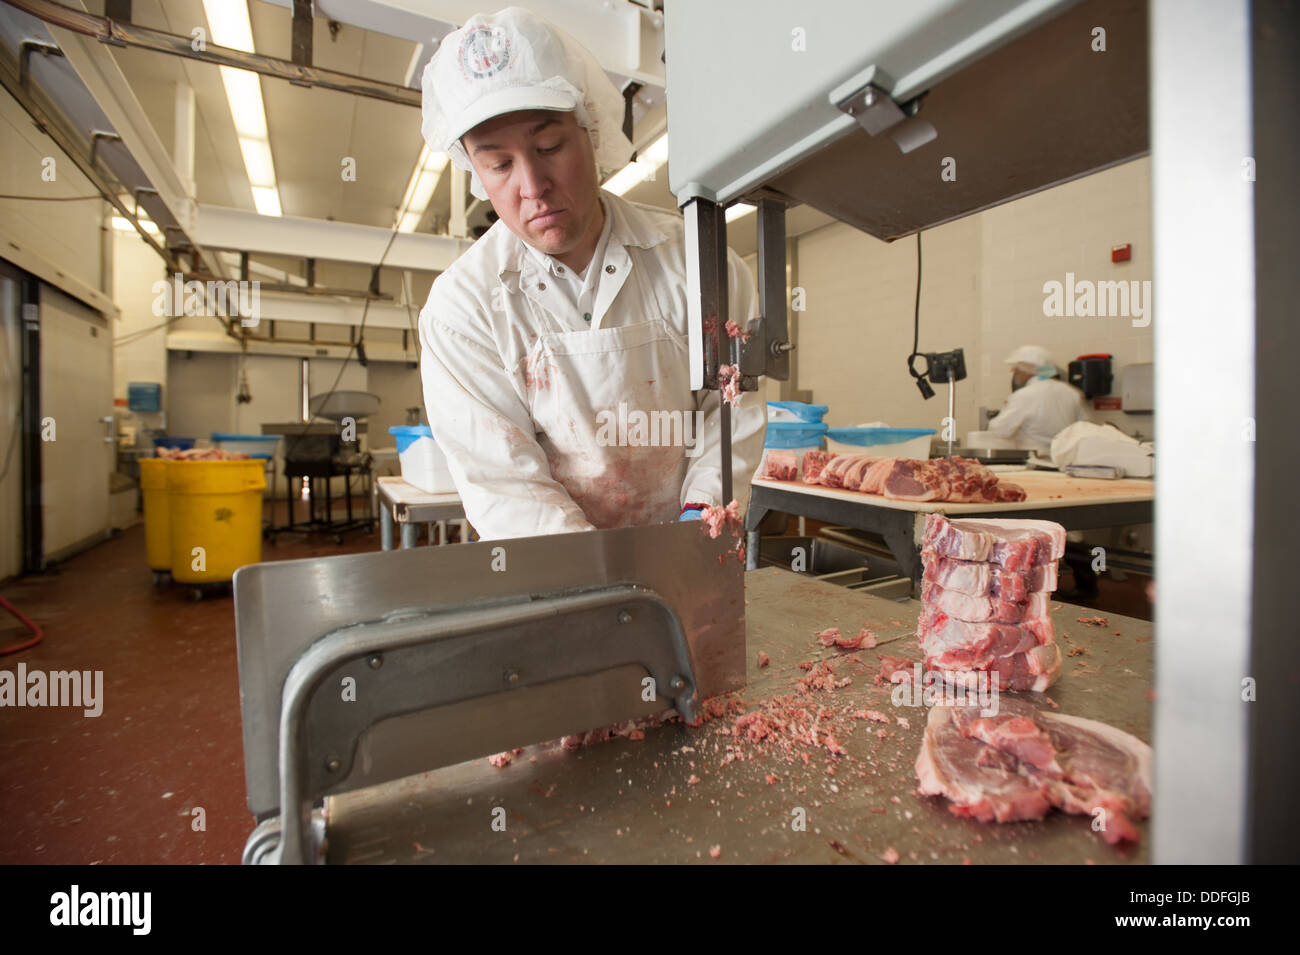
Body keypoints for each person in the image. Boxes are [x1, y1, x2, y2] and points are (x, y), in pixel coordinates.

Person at [417, 8, 766, 540]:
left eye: (549, 147)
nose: (532, 185)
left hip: (688, 550)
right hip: (555, 576)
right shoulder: (462, 308)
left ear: (592, 132)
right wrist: (600, 583)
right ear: (474, 171)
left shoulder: (699, 262)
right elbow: (505, 482)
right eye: (500, 164)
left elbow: (731, 409)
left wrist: (700, 522)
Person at [988, 344, 1086, 453]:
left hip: (1034, 460)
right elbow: (1083, 428)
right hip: (1064, 460)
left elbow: (1000, 430)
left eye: (1016, 369)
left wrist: (1003, 410)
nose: (1014, 372)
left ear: (1026, 370)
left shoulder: (1024, 395)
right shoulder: (1072, 393)